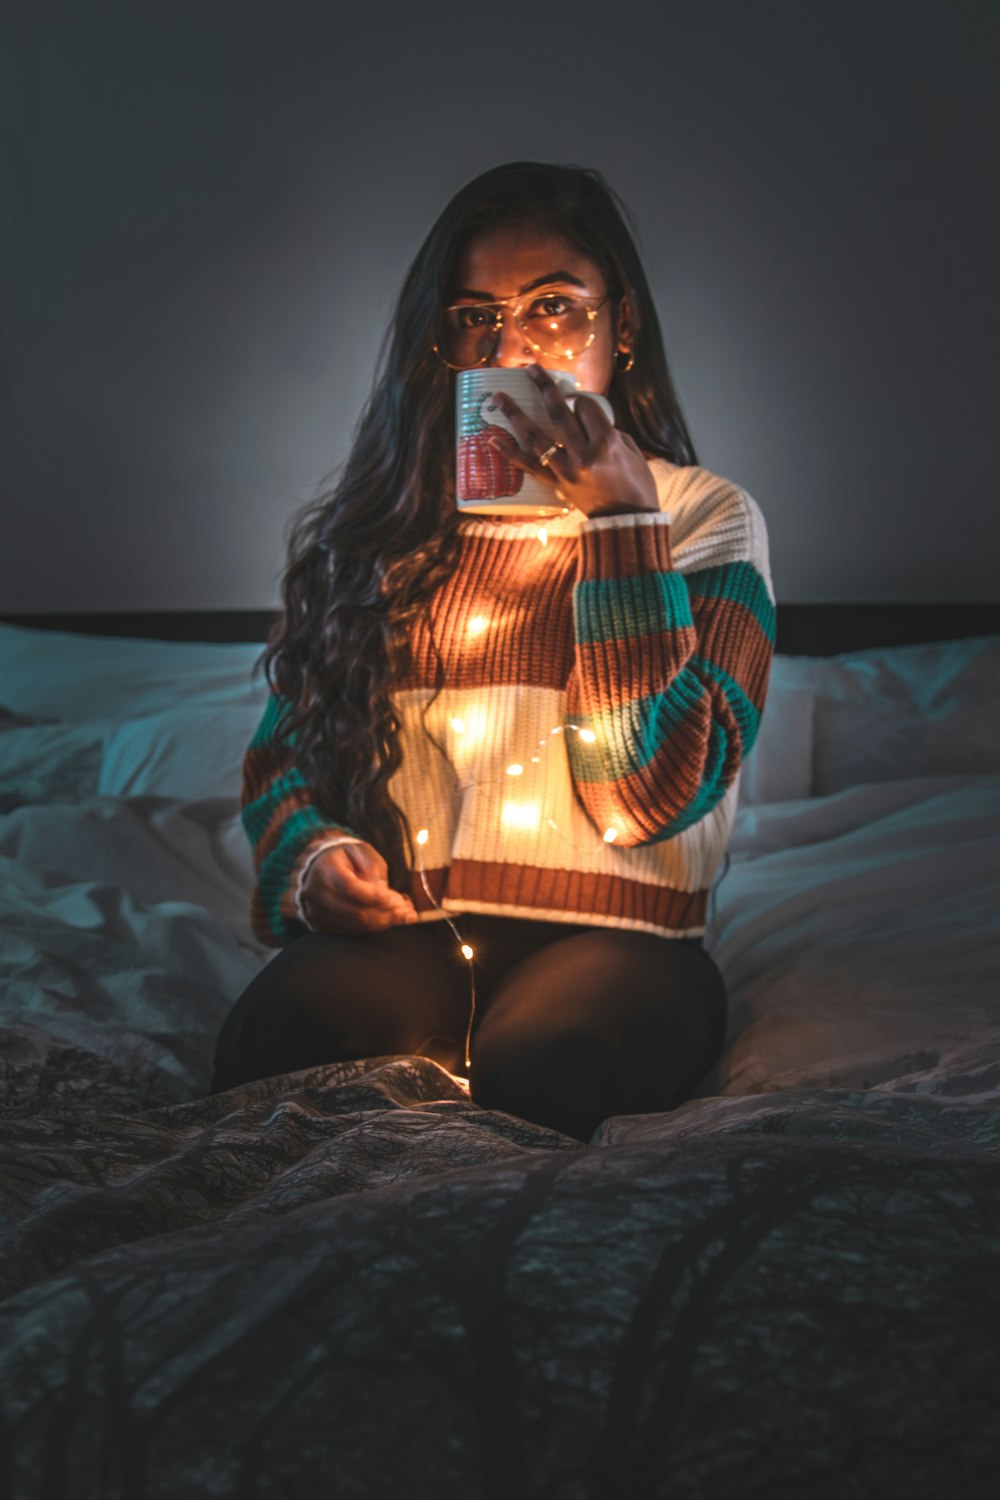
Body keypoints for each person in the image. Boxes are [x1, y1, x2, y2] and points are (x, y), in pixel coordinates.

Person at [209, 160, 775, 1142]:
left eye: (552, 305)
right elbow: (281, 764)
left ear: (623, 324)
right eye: (476, 315)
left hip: (619, 938)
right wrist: (315, 858)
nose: (512, 345)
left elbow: (646, 798)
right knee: (274, 1049)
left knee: (557, 1072)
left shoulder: (702, 518)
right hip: (412, 933)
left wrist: (621, 526)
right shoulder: (384, 533)